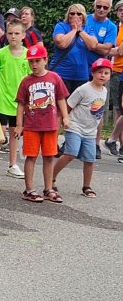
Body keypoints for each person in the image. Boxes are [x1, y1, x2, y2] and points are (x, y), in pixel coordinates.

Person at [15, 44, 70, 203]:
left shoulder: (54, 78)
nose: (34, 65)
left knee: (48, 157)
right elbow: (20, 104)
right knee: (31, 157)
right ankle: (29, 189)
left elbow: (60, 98)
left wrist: (65, 117)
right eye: (31, 62)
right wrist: (20, 125)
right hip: (32, 125)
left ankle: (48, 189)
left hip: (50, 125)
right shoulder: (26, 81)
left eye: (37, 61)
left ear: (45, 60)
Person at [52, 58, 111, 198]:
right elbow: (68, 105)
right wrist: (65, 120)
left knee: (90, 159)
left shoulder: (104, 91)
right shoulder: (83, 89)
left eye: (106, 73)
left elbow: (99, 111)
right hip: (75, 126)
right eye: (99, 72)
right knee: (70, 153)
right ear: (93, 73)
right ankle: (51, 177)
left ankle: (87, 186)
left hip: (90, 130)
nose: (102, 75)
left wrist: (97, 129)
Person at [0, 19, 30, 179]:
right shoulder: (0, 54)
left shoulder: (28, 55)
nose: (13, 36)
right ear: (6, 35)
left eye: (17, 33)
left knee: (15, 132)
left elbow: (29, 78)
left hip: (18, 102)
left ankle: (12, 164)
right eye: (10, 33)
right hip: (1, 99)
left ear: (23, 35)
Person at [85, 0, 117, 158]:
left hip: (99, 71)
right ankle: (71, 141)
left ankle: (95, 143)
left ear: (110, 9)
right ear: (93, 5)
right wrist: (100, 46)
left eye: (105, 7)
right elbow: (100, 47)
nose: (101, 9)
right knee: (75, 106)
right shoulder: (85, 19)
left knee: (97, 108)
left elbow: (108, 48)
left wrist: (92, 44)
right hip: (81, 67)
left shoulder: (111, 26)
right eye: (99, 6)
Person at [50, 4, 96, 93]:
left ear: (83, 16)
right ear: (68, 15)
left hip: (81, 76)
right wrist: (74, 30)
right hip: (61, 75)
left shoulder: (88, 29)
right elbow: (62, 43)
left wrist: (80, 31)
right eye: (72, 13)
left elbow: (93, 45)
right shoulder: (61, 26)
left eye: (79, 14)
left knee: (79, 105)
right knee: (62, 105)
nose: (75, 16)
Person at [103, 0, 123, 156]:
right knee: (118, 108)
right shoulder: (115, 28)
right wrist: (115, 50)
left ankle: (113, 140)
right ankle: (116, 142)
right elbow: (106, 49)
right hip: (117, 70)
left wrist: (115, 50)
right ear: (116, 13)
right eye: (120, 10)